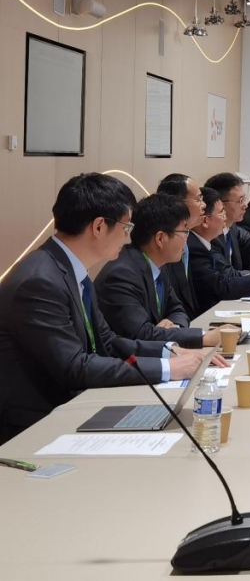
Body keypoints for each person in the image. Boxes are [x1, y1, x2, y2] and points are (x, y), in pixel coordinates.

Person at [0, 174, 220, 444]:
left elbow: (107, 341)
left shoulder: (70, 271)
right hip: (34, 427)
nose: (128, 237)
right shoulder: (39, 282)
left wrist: (170, 351)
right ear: (99, 226)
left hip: (76, 405)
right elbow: (74, 366)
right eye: (126, 227)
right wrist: (168, 368)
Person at [95, 194, 222, 349]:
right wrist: (203, 337)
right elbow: (141, 334)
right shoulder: (121, 275)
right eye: (185, 231)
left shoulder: (157, 264)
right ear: (160, 238)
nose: (187, 239)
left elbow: (177, 309)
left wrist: (174, 326)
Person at [188, 187, 250, 314]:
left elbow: (230, 275)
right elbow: (220, 286)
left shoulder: (208, 242)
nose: (225, 217)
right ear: (205, 220)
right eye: (221, 212)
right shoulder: (194, 247)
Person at [155, 173, 204, 319]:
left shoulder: (186, 242)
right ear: (177, 204)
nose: (204, 205)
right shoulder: (163, 247)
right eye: (198, 199)